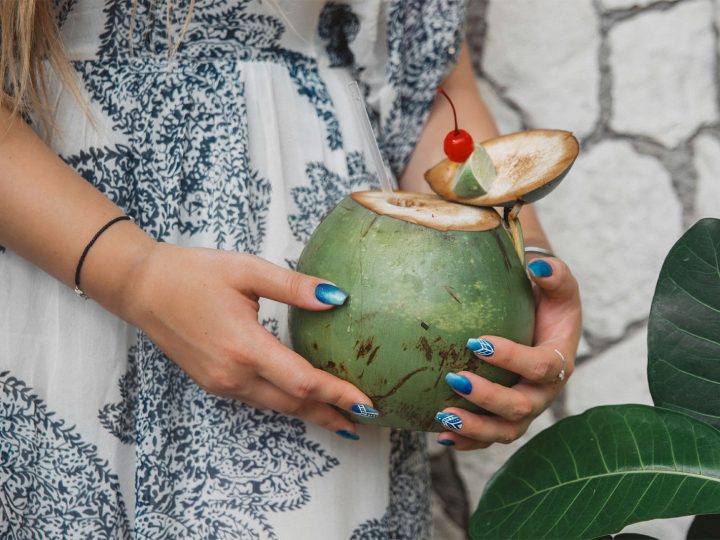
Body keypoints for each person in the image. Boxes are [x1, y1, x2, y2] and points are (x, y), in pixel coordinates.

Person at [0, 0, 581, 538]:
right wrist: (132, 274)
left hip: (342, 346)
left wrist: (520, 271)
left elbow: (422, 84)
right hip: (57, 259)